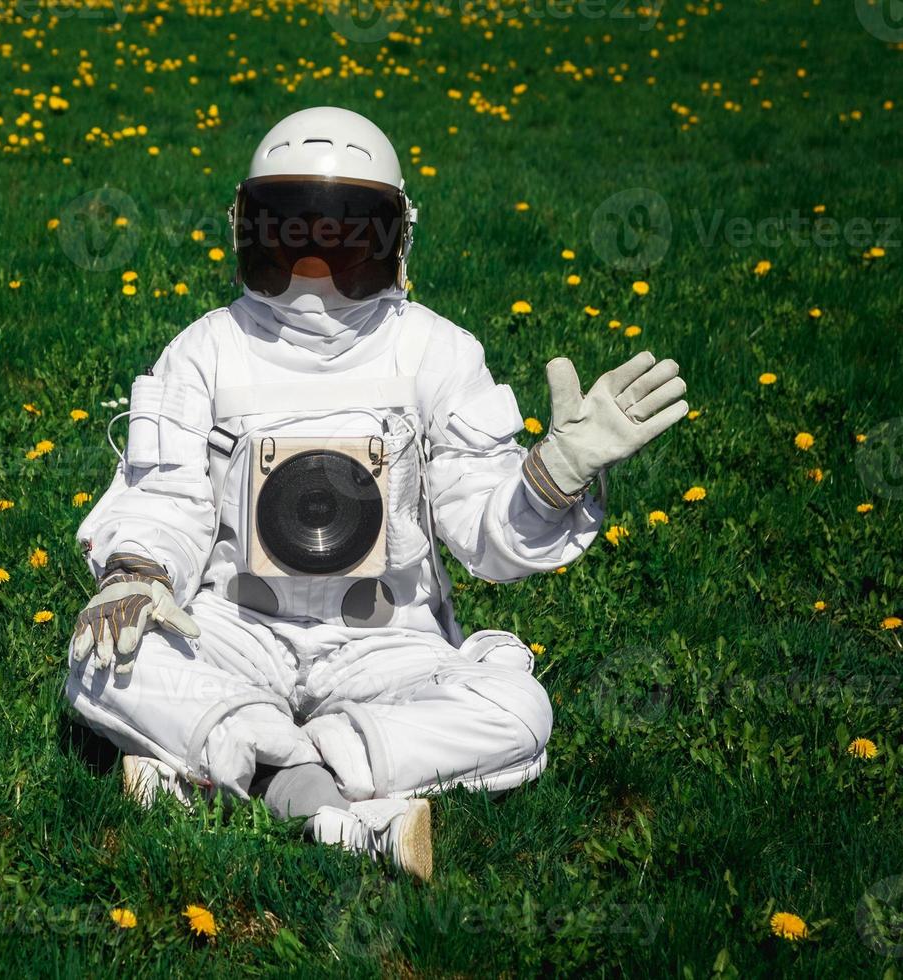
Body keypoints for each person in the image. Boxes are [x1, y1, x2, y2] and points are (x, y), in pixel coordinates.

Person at [63, 107, 689, 880]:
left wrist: (552, 480)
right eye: (290, 239)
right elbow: (164, 496)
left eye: (344, 242)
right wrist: (135, 575)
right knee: (100, 657)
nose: (313, 275)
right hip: (235, 626)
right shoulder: (207, 348)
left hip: (384, 640)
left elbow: (482, 532)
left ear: (397, 241)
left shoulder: (438, 352)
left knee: (522, 711)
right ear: (245, 231)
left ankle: (236, 766)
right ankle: (334, 805)